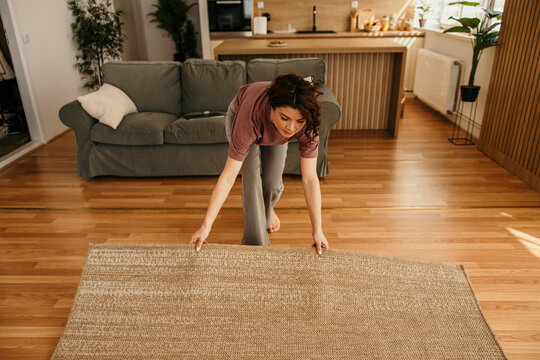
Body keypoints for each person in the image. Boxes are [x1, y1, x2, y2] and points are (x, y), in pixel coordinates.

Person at [190, 73, 329, 255]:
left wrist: (317, 230)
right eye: (285, 118)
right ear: (271, 108)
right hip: (243, 115)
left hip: (273, 131)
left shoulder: (307, 124)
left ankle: (267, 211)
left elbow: (310, 179)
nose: (291, 128)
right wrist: (205, 227)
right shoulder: (249, 119)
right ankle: (256, 249)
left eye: (299, 121)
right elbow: (228, 177)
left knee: (272, 185)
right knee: (252, 181)